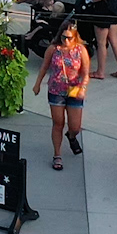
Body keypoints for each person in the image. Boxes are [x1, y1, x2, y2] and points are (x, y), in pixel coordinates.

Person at [33, 25, 90, 171]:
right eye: (63, 37)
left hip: (74, 89)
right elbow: (44, 67)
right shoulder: (53, 49)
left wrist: (83, 88)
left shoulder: (80, 50)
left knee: (75, 126)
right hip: (56, 89)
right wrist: (37, 84)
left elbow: (85, 72)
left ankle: (71, 137)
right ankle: (57, 155)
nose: (66, 41)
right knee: (58, 123)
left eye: (69, 38)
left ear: (75, 37)